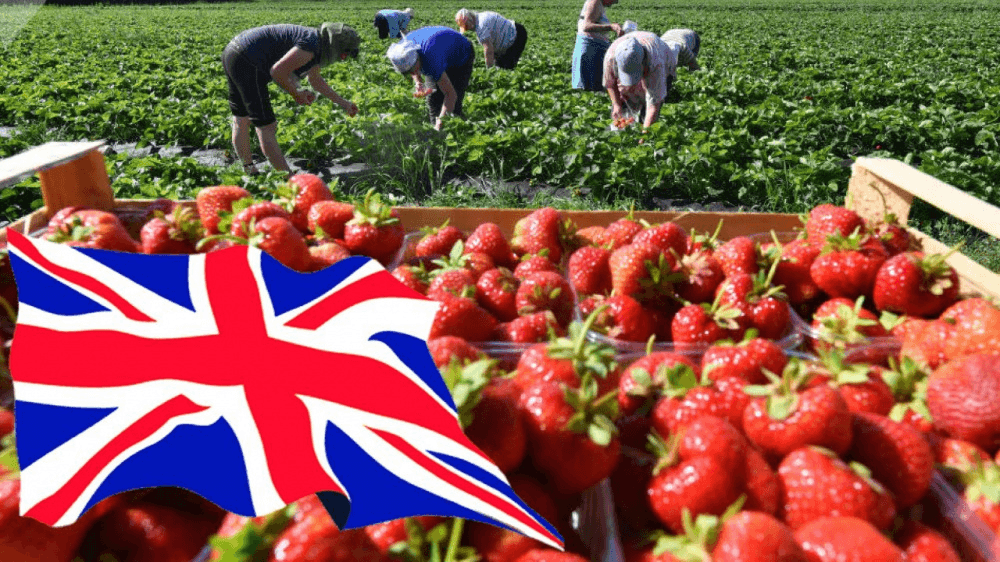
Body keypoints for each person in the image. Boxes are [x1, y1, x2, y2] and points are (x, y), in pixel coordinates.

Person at [222, 23, 360, 176]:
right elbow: (277, 71)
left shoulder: (317, 42)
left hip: (233, 52)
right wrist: (296, 93)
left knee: (241, 118)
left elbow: (315, 80)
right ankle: (288, 179)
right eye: (343, 55)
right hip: (248, 59)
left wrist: (344, 104)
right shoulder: (311, 46)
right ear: (336, 47)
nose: (343, 59)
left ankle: (250, 171)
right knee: (267, 126)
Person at [386, 26, 475, 131]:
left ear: (417, 58)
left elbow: (451, 95)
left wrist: (440, 122)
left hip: (461, 55)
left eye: (414, 69)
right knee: (433, 99)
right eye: (408, 72)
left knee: (454, 102)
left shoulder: (431, 60)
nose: (413, 73)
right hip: (439, 49)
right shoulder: (402, 49)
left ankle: (458, 131)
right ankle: (437, 135)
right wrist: (418, 82)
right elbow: (411, 67)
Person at [603, 31, 676, 130]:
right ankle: (628, 126)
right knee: (626, 95)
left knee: (649, 109)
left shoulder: (656, 63)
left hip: (665, 60)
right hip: (641, 52)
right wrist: (616, 104)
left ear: (643, 63)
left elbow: (653, 105)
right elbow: (610, 84)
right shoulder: (610, 57)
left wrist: (644, 138)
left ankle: (643, 125)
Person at [571, 0, 623, 91]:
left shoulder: (599, 4)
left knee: (595, 87)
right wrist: (611, 27)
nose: (615, 2)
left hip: (596, 49)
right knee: (588, 89)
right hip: (590, 51)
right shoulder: (594, 2)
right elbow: (586, 26)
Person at [454, 9, 528, 70]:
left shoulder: (481, 26)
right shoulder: (481, 16)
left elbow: (488, 49)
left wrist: (489, 70)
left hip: (516, 36)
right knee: (500, 65)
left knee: (506, 67)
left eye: (466, 26)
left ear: (470, 20)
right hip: (514, 32)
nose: (467, 29)